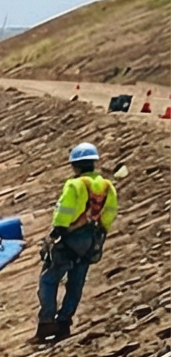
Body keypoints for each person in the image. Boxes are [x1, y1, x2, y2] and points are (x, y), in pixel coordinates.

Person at [38, 142, 120, 343]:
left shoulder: (74, 185)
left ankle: (47, 322)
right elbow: (109, 213)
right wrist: (101, 233)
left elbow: (64, 211)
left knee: (49, 279)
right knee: (76, 283)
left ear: (75, 165)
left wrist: (56, 231)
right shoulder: (107, 186)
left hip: (69, 238)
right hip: (91, 239)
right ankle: (64, 323)